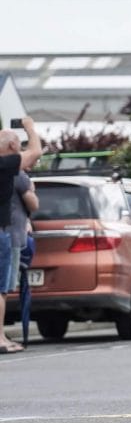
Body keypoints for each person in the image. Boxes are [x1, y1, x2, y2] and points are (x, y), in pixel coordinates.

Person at [0, 118, 42, 354]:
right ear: (14, 148)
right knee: (1, 289)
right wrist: (30, 128)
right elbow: (35, 152)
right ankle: (0, 339)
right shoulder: (6, 164)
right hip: (1, 231)